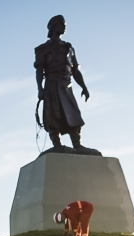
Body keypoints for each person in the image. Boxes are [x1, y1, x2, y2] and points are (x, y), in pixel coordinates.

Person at [35, 15, 93, 152]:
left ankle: (77, 145)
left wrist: (84, 87)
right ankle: (57, 145)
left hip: (66, 85)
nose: (64, 26)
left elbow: (75, 70)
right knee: (53, 115)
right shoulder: (43, 49)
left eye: (64, 24)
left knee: (74, 114)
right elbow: (39, 70)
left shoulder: (68, 48)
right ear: (54, 27)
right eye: (61, 24)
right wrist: (40, 89)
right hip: (52, 85)